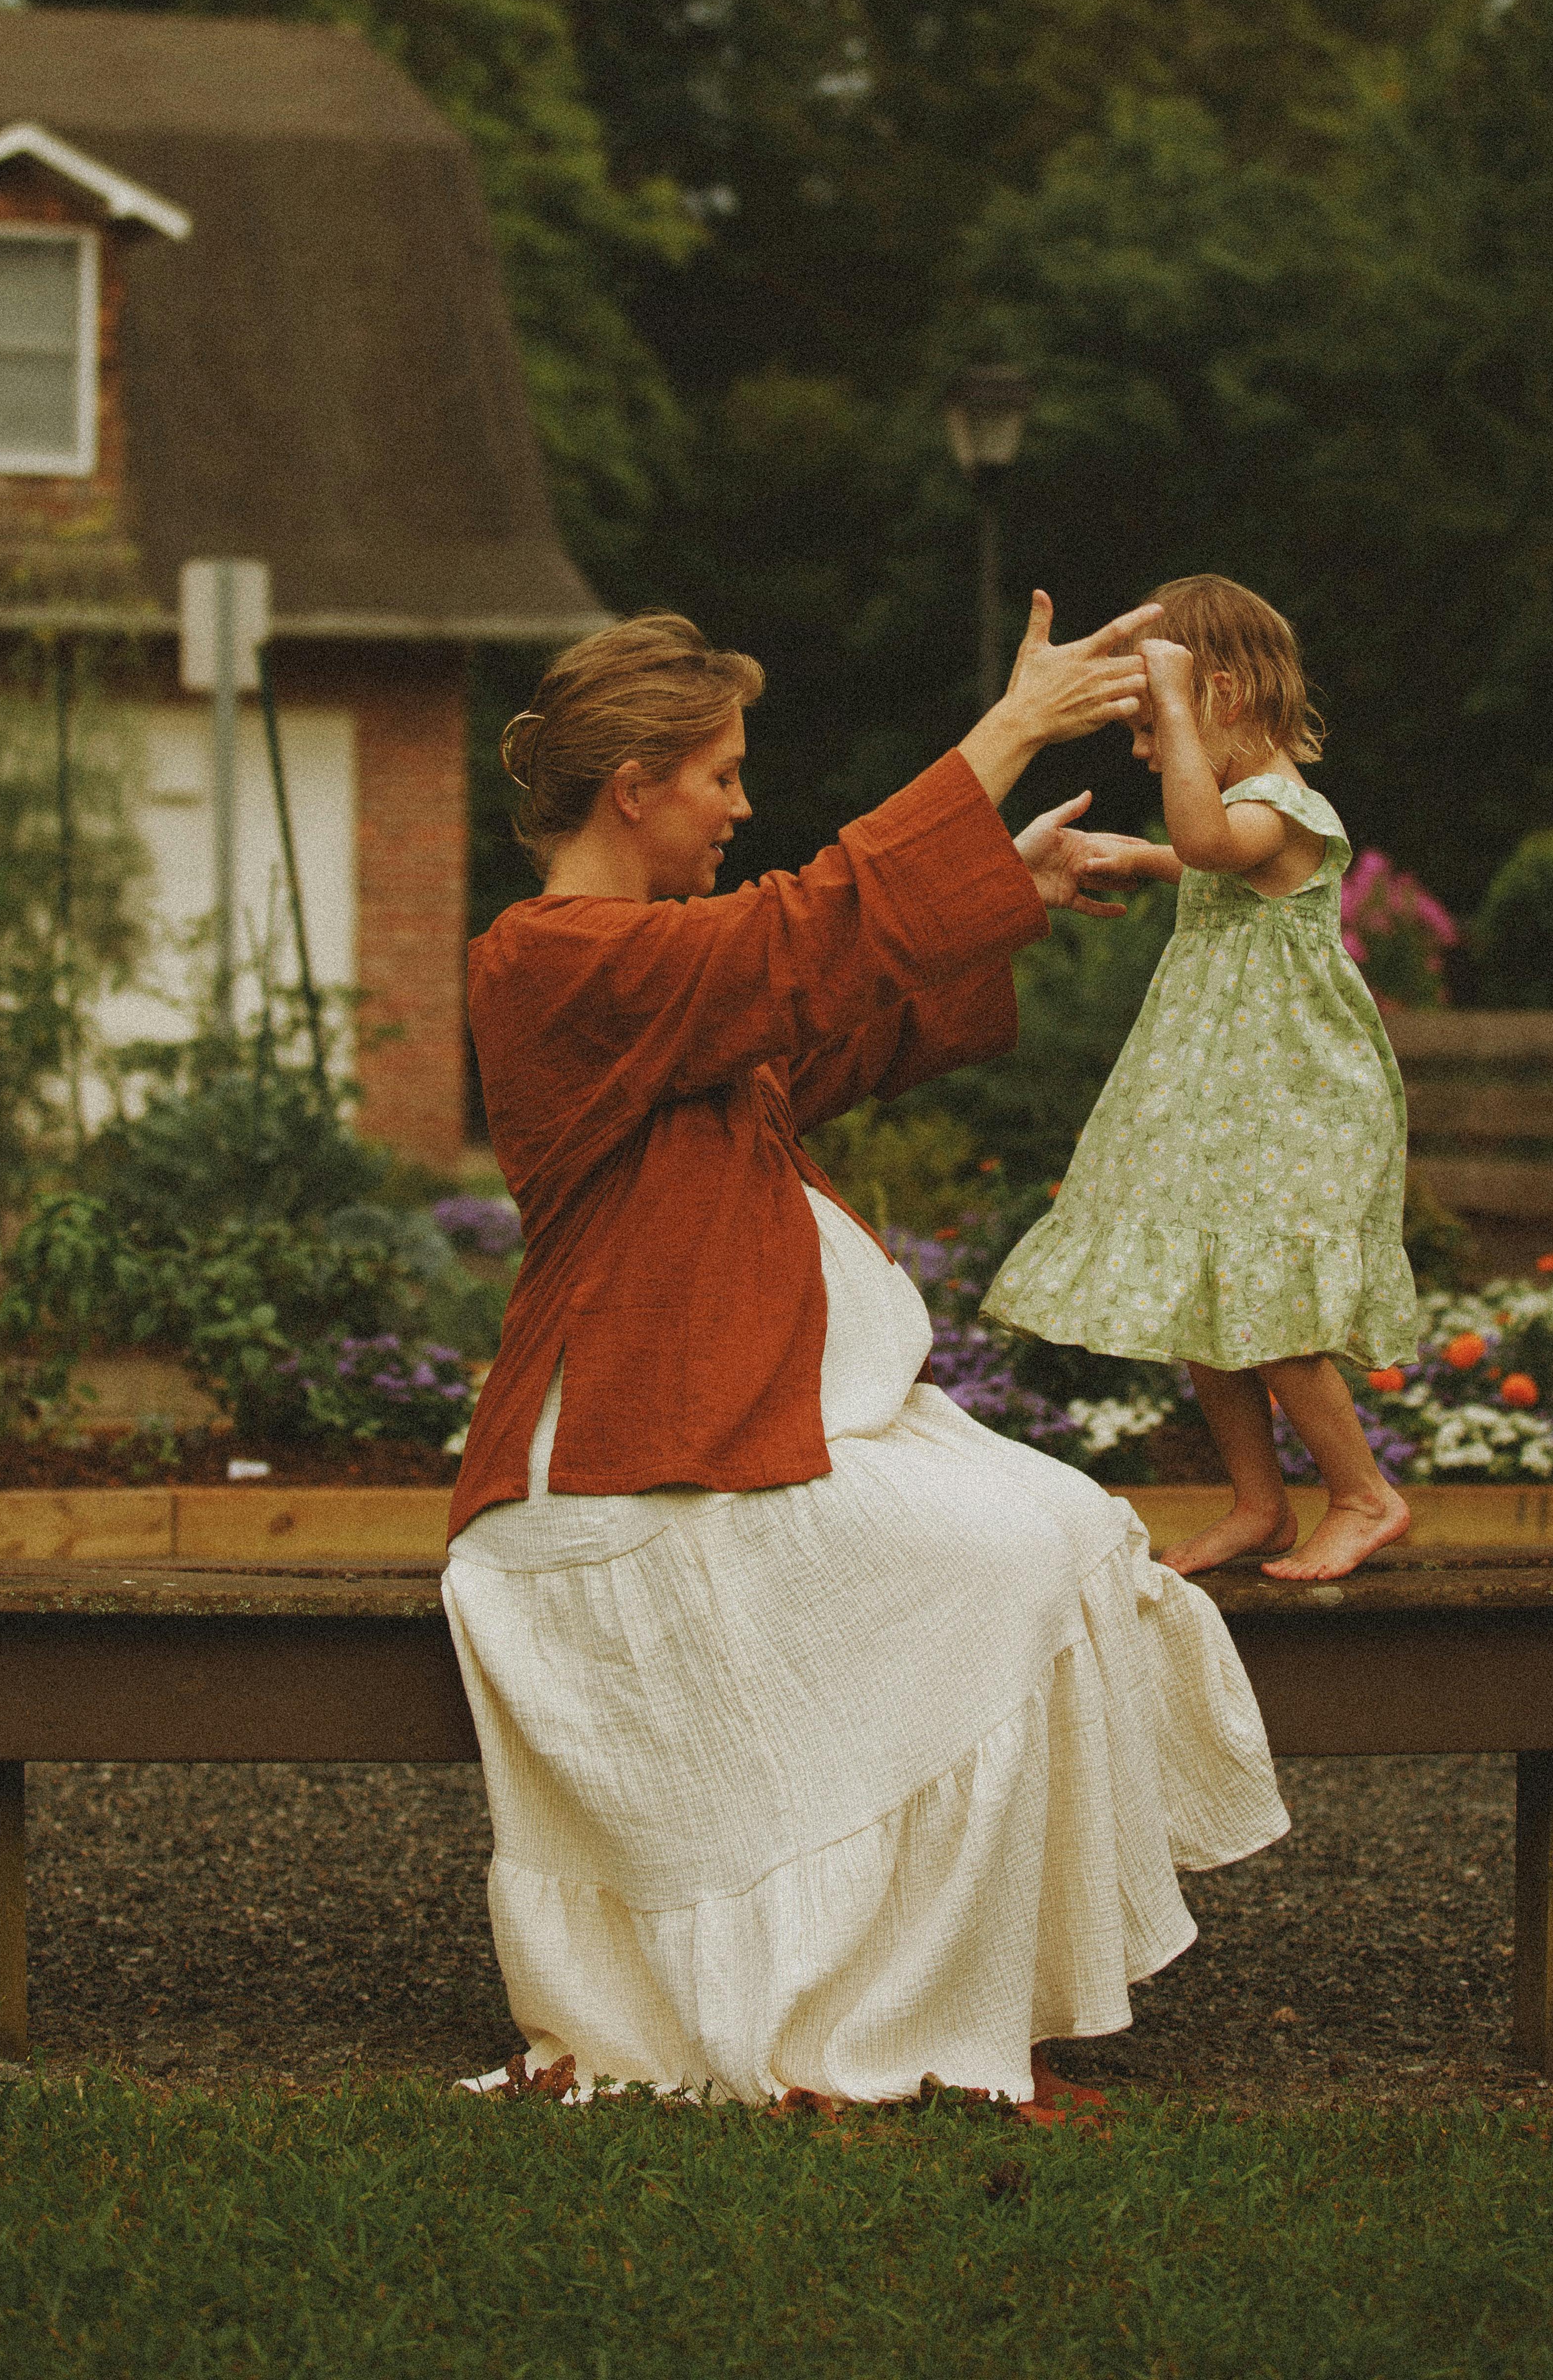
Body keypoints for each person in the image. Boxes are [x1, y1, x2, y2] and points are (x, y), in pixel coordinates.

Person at [441, 595, 1288, 2110]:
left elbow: (818, 1022)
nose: (743, 806)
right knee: (996, 1568)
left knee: (1064, 1536)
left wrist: (1004, 883)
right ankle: (861, 2007)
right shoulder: (546, 961)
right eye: (721, 777)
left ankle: (944, 1995)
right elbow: (797, 935)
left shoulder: (661, 969)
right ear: (634, 789)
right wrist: (1011, 733)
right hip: (624, 1457)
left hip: (713, 1417)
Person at [982, 574, 1419, 1584]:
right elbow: (1205, 861)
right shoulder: (1241, 821)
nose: (1144, 752)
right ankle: (1258, 1503)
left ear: (1215, 697)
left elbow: (1215, 843)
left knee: (1265, 1295)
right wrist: (1135, 858)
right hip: (1218, 1100)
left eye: (1155, 727)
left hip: (1288, 1102)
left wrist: (1168, 744)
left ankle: (1361, 1494)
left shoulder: (1283, 806)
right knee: (1202, 1290)